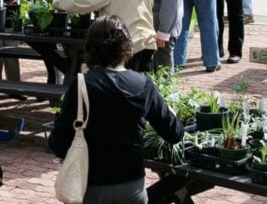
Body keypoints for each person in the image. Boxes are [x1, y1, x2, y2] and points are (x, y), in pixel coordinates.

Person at [48, 15, 184, 204]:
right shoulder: (143, 84)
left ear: (91, 49)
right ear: (126, 48)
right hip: (132, 187)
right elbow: (174, 134)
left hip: (92, 187)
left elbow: (59, 144)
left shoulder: (82, 85)